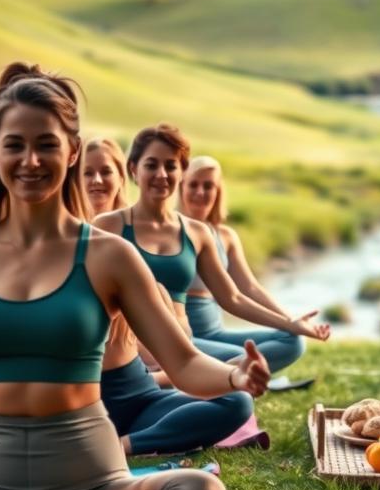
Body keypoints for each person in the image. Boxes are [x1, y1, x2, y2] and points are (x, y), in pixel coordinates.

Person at [0, 63, 270, 490]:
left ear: (72, 151)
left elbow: (182, 364)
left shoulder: (109, 256)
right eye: (15, 145)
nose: (31, 160)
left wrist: (234, 376)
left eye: (47, 144)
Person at [93, 125, 329, 373]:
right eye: (151, 165)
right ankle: (201, 382)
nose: (162, 174)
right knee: (239, 363)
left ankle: (206, 382)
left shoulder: (197, 233)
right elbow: (93, 298)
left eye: (171, 166)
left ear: (182, 171)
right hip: (132, 348)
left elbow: (233, 297)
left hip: (184, 344)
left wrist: (290, 323)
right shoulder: (109, 225)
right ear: (134, 169)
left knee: (249, 359)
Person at [179, 155, 306, 373]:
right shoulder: (167, 230)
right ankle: (228, 377)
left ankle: (227, 376)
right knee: (243, 359)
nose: (200, 192)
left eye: (208, 186)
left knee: (292, 341)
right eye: (193, 184)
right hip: (181, 338)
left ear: (218, 191)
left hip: (215, 334)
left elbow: (249, 287)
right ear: (181, 187)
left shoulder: (226, 236)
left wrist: (290, 321)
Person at [82, 137, 128, 215]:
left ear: (121, 178)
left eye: (106, 172)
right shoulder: (61, 225)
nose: (97, 180)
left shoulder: (136, 224)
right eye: (88, 173)